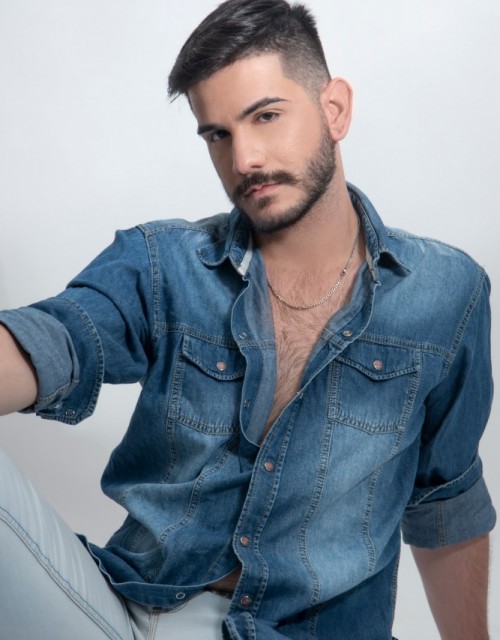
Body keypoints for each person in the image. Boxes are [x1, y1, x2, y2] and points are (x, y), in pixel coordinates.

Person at [0, 0, 496, 638]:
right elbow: (59, 339)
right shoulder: (162, 263)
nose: (244, 160)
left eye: (266, 116)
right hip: (133, 614)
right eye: (218, 135)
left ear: (334, 109)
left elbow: (444, 500)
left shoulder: (446, 293)